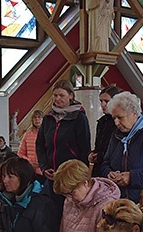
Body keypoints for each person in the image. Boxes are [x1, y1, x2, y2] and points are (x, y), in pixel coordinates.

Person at [100, 91, 143, 202]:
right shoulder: (116, 135)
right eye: (114, 118)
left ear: (134, 114)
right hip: (118, 200)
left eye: (120, 117)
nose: (116, 123)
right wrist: (109, 174)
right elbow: (105, 162)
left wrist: (132, 177)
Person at [36, 79, 91, 214]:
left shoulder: (79, 117)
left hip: (70, 177)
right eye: (55, 95)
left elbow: (84, 148)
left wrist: (79, 175)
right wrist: (44, 167)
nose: (57, 99)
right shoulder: (49, 117)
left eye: (61, 95)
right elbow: (40, 144)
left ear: (71, 96)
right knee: (51, 212)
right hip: (51, 175)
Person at [90, 86, 122, 177]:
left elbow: (117, 149)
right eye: (101, 101)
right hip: (99, 168)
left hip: (113, 169)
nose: (103, 104)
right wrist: (92, 154)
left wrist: (100, 156)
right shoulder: (102, 121)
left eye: (107, 101)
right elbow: (98, 145)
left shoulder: (121, 123)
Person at [18, 110, 44, 176]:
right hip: (30, 169)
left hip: (43, 169)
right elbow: (20, 153)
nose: (37, 119)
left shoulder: (47, 134)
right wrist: (29, 162)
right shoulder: (27, 134)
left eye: (39, 117)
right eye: (35, 117)